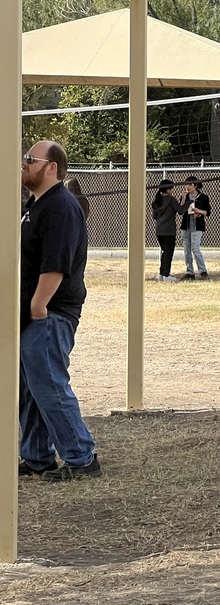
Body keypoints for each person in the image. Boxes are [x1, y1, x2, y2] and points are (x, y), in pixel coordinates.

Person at [18, 140, 103, 482]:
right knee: (30, 388)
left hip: (51, 314)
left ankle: (82, 459)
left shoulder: (61, 207)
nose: (23, 164)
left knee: (50, 385)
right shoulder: (33, 205)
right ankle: (37, 457)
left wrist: (38, 306)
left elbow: (56, 264)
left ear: (51, 166)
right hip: (32, 314)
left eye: (30, 159)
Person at [151, 179, 188, 282]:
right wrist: (188, 202)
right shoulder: (171, 200)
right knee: (168, 253)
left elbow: (154, 216)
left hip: (159, 230)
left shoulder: (156, 201)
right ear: (168, 190)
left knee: (165, 252)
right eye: (171, 188)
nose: (172, 190)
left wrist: (183, 198)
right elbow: (180, 210)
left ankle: (162, 274)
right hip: (169, 230)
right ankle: (166, 274)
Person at [179, 175, 211, 280]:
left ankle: (203, 271)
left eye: (190, 185)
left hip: (197, 226)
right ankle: (190, 272)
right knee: (186, 250)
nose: (187, 187)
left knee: (195, 248)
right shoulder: (186, 196)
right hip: (186, 225)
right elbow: (181, 210)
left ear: (195, 185)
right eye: (186, 184)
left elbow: (207, 212)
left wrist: (199, 211)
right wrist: (183, 198)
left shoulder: (203, 197)